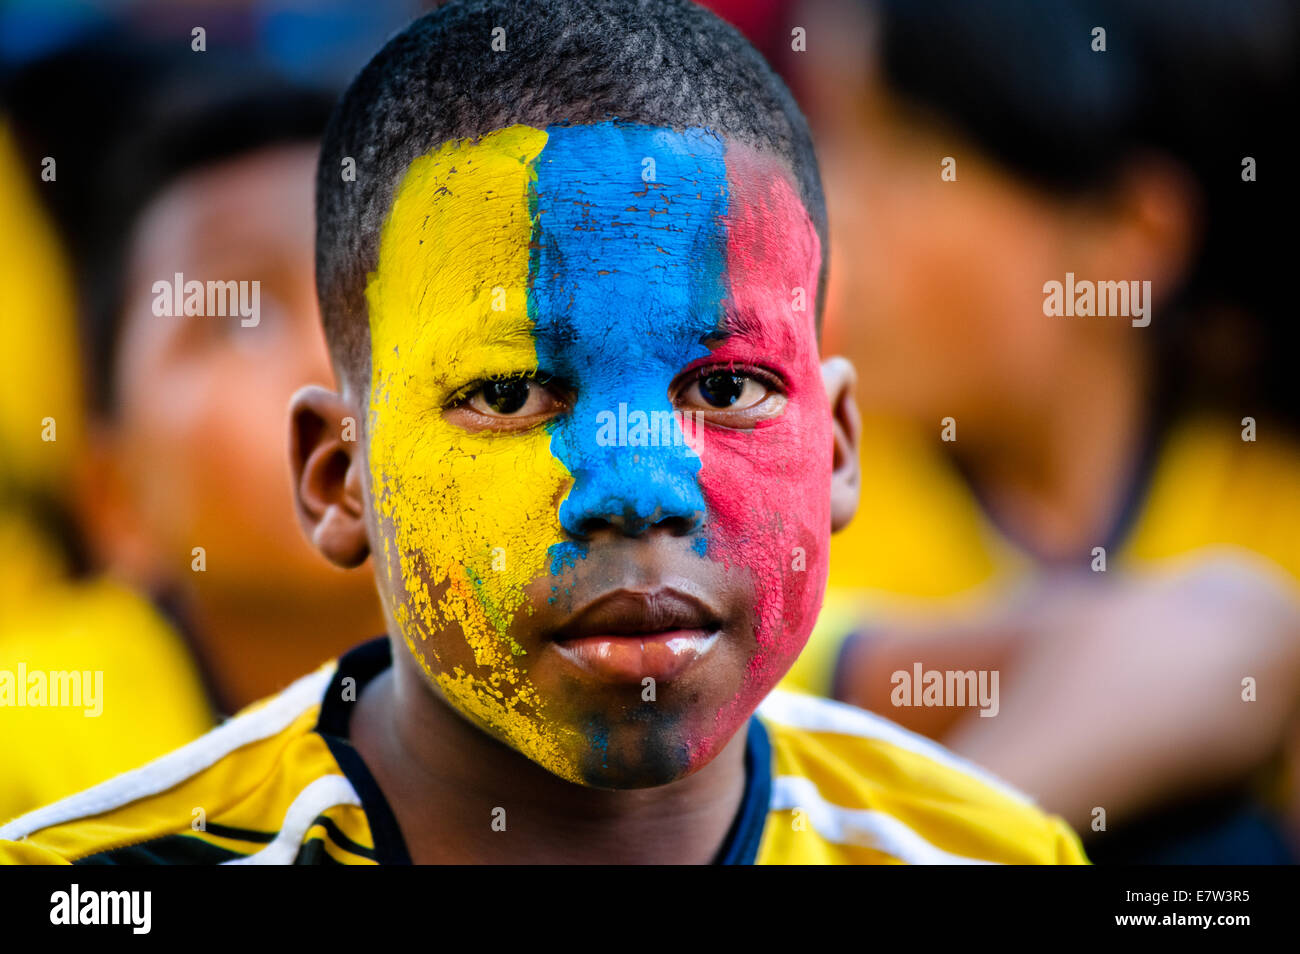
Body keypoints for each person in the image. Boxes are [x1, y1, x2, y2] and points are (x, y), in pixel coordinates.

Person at [0, 0, 1085, 865]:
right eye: (513, 392)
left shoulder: (992, 854)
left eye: (728, 386)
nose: (638, 487)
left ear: (839, 445)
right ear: (339, 479)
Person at [778, 0, 1300, 862]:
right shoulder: (811, 499)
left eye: (902, 155)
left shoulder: (1269, 495)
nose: (828, 216)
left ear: (1130, 232)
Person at [0, 49, 384, 822]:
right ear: (117, 502)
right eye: (243, 317)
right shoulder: (32, 753)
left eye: (381, 294)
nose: (334, 355)